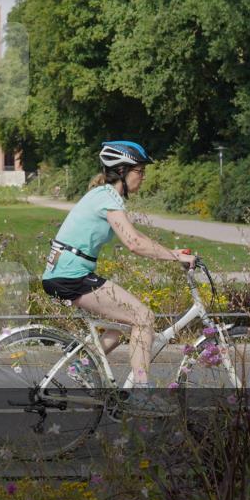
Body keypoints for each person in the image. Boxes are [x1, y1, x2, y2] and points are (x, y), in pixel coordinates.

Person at [41, 140, 196, 413]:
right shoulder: (107, 197)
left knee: (124, 326)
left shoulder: (103, 194)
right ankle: (140, 393)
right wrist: (176, 257)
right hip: (70, 276)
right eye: (140, 170)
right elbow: (134, 243)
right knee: (144, 317)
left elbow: (136, 239)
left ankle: (83, 365)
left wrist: (171, 252)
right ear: (122, 170)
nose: (143, 176)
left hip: (66, 273)